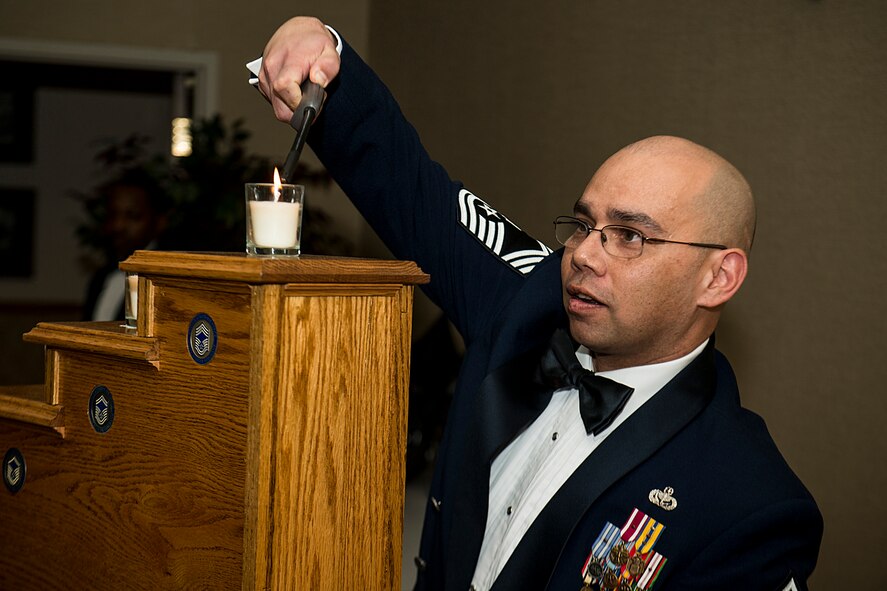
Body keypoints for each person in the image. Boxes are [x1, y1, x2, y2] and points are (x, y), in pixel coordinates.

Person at [253, 17, 822, 590]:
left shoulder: (750, 502)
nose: (585, 256)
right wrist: (326, 55)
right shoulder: (530, 302)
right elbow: (412, 188)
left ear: (718, 277)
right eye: (584, 224)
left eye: (631, 236)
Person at [82, 170, 168, 321]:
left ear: (159, 221)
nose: (118, 226)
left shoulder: (164, 282)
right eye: (113, 215)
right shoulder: (101, 277)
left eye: (132, 216)